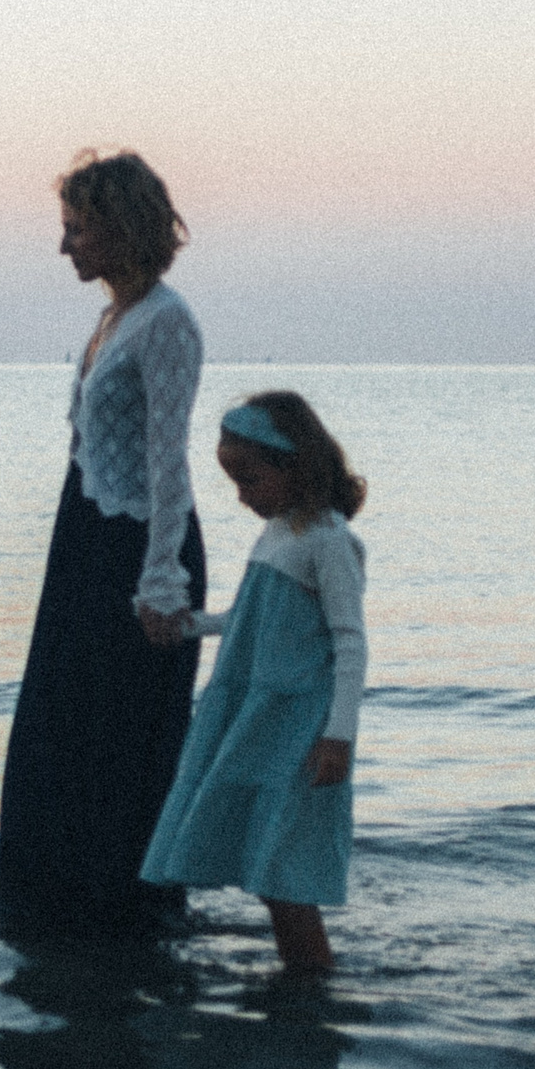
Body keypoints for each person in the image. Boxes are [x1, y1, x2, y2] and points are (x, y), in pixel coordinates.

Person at [0, 151, 205, 940]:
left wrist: (161, 582)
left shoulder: (167, 320)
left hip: (138, 550)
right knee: (55, 728)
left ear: (119, 228)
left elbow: (168, 458)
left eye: (76, 229)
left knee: (120, 738)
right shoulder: (112, 317)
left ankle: (122, 911)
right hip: (81, 542)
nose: (63, 247)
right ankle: (49, 902)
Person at [141, 392, 369, 975]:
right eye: (233, 482)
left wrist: (338, 737)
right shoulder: (278, 532)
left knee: (287, 870)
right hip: (253, 718)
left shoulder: (327, 538)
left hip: (297, 726)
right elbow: (247, 620)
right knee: (268, 862)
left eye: (251, 478)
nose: (242, 494)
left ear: (295, 466)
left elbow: (350, 643)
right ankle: (299, 981)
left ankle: (313, 987)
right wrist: (185, 624)